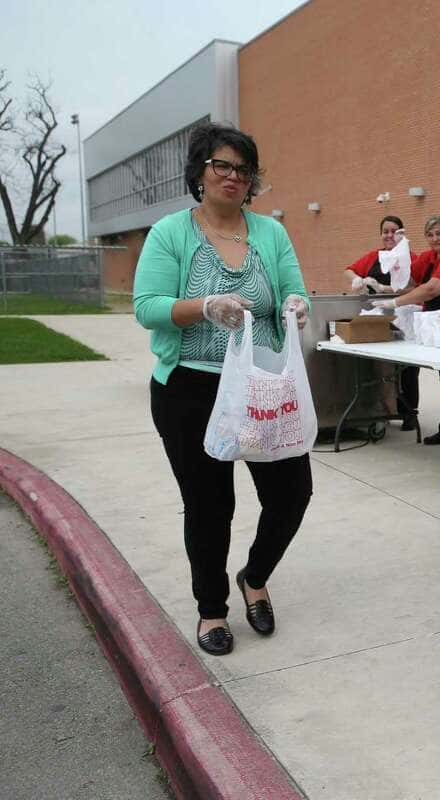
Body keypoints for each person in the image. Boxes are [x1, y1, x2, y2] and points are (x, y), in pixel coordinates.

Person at [133, 122, 312, 657]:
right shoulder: (171, 233)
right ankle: (211, 609)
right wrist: (204, 307)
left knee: (291, 492)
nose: (233, 177)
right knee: (210, 506)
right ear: (200, 172)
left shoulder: (270, 234)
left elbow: (293, 287)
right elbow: (147, 307)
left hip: (260, 387)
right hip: (190, 388)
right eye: (222, 166)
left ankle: (254, 577)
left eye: (243, 169)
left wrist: (298, 306)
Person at [376, 214, 440, 444]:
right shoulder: (430, 256)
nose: (435, 239)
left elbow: (431, 290)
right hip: (435, 323)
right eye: (430, 235)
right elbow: (410, 281)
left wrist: (395, 303)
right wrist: (398, 255)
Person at [344, 215, 418, 428]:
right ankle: (383, 409)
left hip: (403, 316)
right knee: (380, 366)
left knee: (408, 368)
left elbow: (416, 287)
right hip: (377, 319)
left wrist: (385, 290)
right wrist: (356, 280)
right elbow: (348, 270)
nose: (389, 235)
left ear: (401, 234)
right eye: (385, 231)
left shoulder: (411, 258)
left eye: (393, 231)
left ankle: (409, 413)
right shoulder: (373, 257)